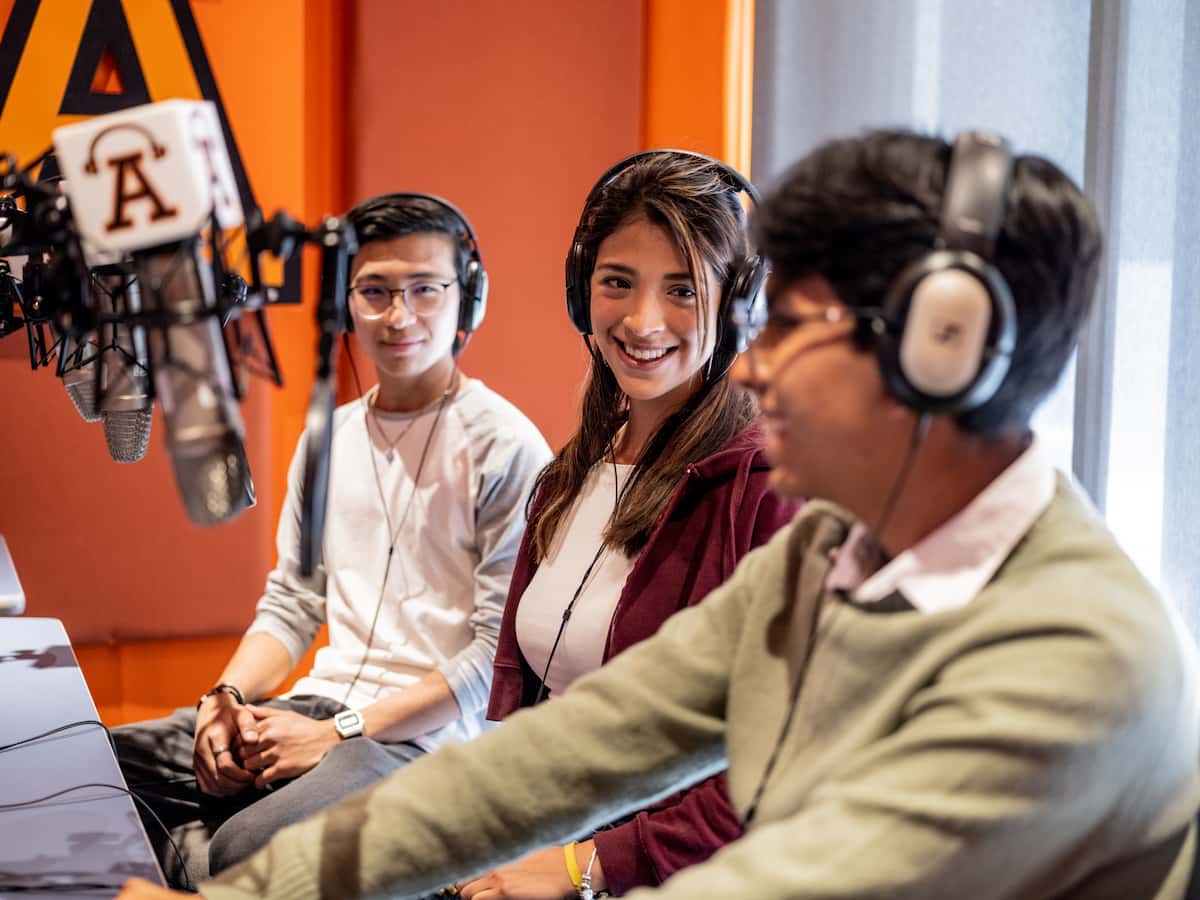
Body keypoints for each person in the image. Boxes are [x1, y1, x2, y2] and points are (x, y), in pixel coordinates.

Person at [124, 131, 1200, 900]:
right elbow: (569, 753)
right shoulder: (843, 545)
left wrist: (583, 872)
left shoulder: (1078, 658)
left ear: (941, 351)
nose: (753, 360)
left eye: (785, 324)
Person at [112, 192, 552, 888]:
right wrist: (222, 699)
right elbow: (292, 601)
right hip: (323, 707)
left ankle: (214, 869)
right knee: (94, 772)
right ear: (347, 300)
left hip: (425, 743)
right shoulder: (330, 434)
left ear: (467, 299)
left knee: (248, 848)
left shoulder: (506, 448)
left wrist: (339, 733)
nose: (399, 316)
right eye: (374, 292)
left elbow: (489, 662)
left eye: (425, 290)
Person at [460, 151, 798, 898]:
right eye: (618, 283)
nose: (643, 322)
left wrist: (586, 868)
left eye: (683, 290)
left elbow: (775, 767)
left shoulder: (765, 490)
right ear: (585, 295)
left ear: (737, 307)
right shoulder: (566, 478)